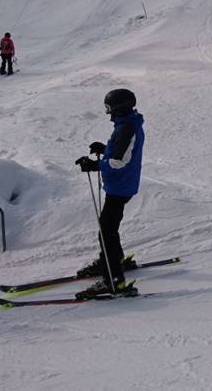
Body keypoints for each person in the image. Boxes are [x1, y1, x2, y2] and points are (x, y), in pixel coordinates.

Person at [74, 88, 145, 299]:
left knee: (106, 232)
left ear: (118, 108)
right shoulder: (128, 125)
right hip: (121, 185)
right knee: (109, 228)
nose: (108, 112)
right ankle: (116, 260)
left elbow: (118, 162)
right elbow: (120, 152)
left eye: (109, 108)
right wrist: (104, 149)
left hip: (120, 186)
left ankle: (113, 281)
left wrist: (95, 165)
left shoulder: (126, 128)